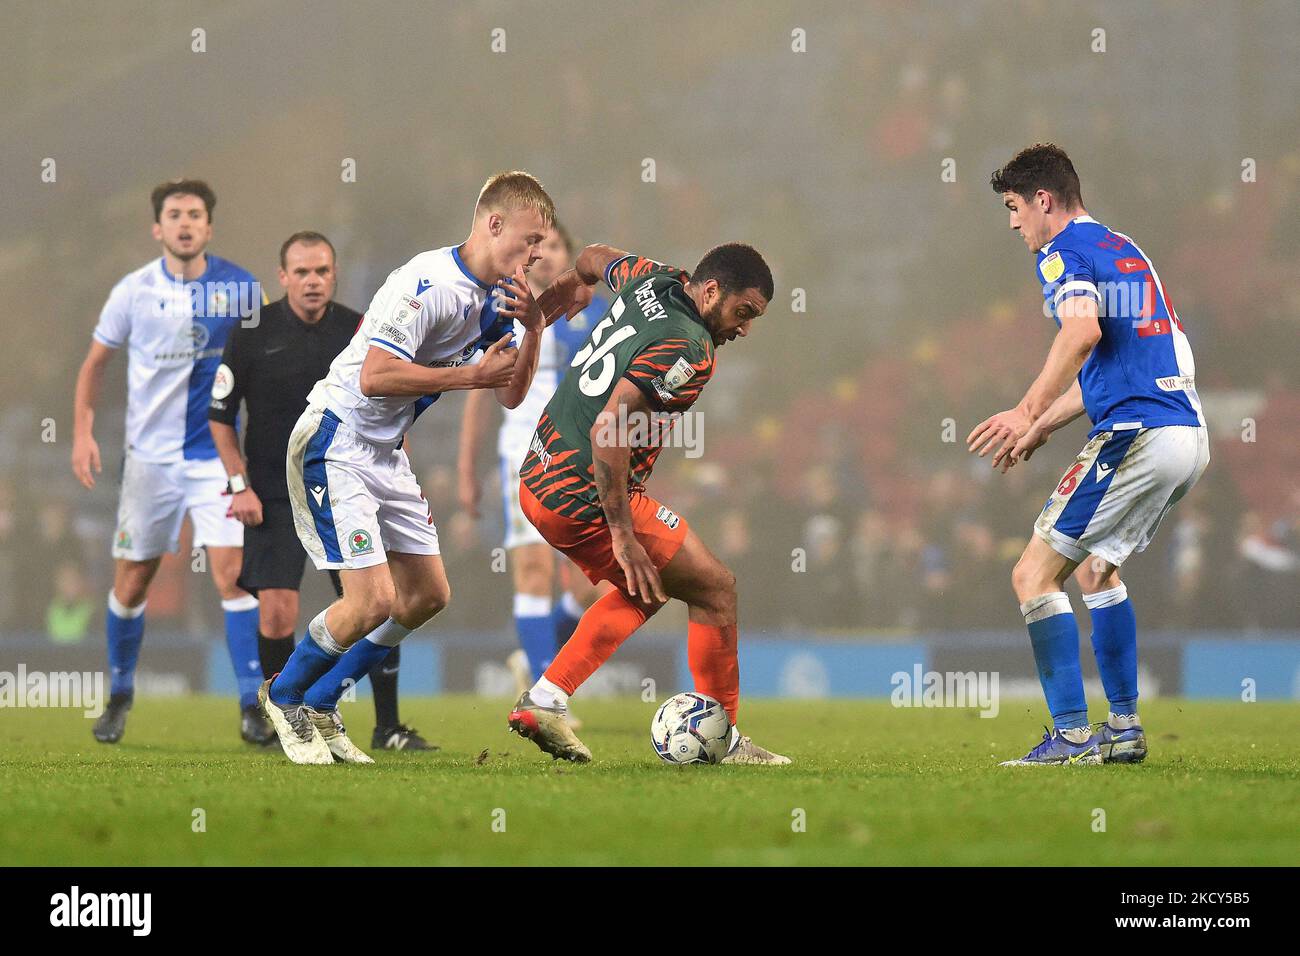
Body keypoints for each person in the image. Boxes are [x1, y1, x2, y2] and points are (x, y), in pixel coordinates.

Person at [260, 171, 552, 764]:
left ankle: (322, 699)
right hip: (337, 436)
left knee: (426, 595)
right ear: (494, 225)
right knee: (370, 600)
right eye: (528, 241)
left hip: (386, 451)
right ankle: (285, 696)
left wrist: (535, 329)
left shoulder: (496, 302)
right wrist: (469, 373)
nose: (534, 256)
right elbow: (374, 376)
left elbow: (511, 396)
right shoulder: (427, 282)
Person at [969, 143, 1209, 766]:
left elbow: (1082, 333)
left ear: (1043, 200)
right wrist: (1045, 424)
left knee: (1031, 574)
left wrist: (1023, 410)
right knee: (1097, 571)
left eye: (1014, 206)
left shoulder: (1062, 253)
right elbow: (1120, 359)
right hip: (1185, 432)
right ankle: (1124, 731)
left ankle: (1072, 736)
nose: (1013, 222)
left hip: (1138, 431)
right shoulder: (1125, 250)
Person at [506, 242, 791, 765]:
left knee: (648, 585)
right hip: (581, 491)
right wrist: (621, 534)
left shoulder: (652, 278)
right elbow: (609, 426)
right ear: (710, 291)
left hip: (536, 477)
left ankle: (545, 699)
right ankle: (723, 739)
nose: (744, 329)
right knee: (716, 589)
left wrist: (566, 291)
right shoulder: (691, 349)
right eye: (742, 312)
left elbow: (593, 256)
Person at [208, 231, 433, 751]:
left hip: (342, 482)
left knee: (378, 603)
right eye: (302, 272)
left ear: (334, 274)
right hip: (272, 492)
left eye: (322, 271)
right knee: (278, 610)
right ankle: (280, 712)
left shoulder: (359, 329)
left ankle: (387, 725)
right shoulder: (250, 332)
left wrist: (394, 477)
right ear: (282, 278)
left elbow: (388, 410)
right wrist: (239, 485)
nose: (313, 281)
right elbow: (219, 417)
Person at [71, 179, 265, 745]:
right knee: (132, 584)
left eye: (196, 214)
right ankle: (120, 695)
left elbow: (267, 360)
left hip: (216, 459)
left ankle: (252, 704)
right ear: (158, 228)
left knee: (233, 577)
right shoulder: (132, 292)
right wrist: (82, 432)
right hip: (150, 462)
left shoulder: (242, 289)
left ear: (209, 227)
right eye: (174, 214)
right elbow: (94, 365)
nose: (185, 223)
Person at [458, 223, 609, 703]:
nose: (546, 253)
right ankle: (547, 693)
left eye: (558, 245)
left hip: (583, 455)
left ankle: (534, 656)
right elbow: (480, 392)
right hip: (525, 452)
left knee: (597, 583)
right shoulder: (503, 309)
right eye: (537, 246)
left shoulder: (593, 313)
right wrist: (466, 470)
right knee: (533, 571)